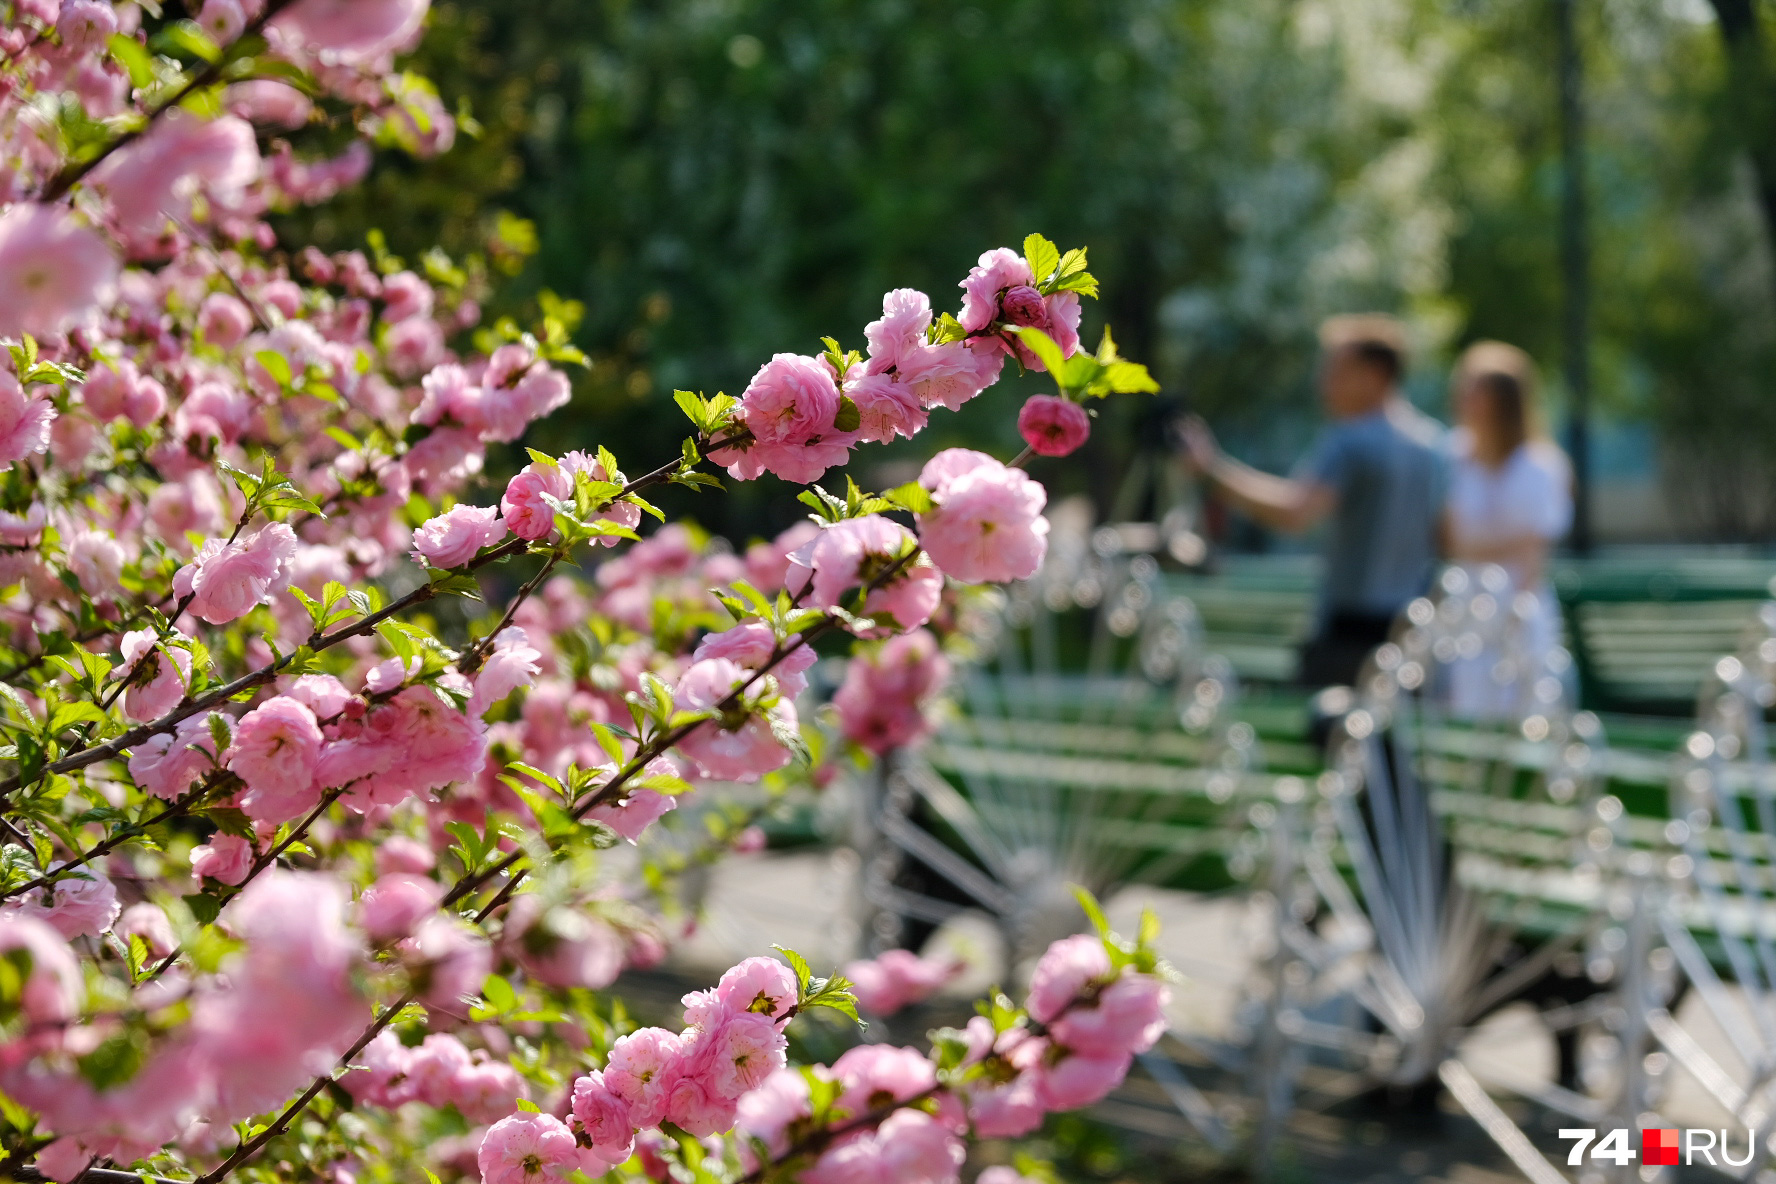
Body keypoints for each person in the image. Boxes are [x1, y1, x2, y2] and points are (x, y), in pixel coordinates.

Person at [1181, 314, 1446, 688]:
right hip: (1415, 636)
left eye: (1336, 371)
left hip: (1350, 637)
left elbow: (1296, 512)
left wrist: (1210, 469)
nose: (1323, 384)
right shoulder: (1434, 445)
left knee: (1337, 739)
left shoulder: (1351, 440)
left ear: (1373, 376)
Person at [1441, 341, 1573, 718]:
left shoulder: (1539, 465)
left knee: (1527, 714)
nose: (1463, 398)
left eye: (1475, 389)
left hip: (1518, 610)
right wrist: (1502, 544)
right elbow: (1449, 540)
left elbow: (1532, 550)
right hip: (1465, 612)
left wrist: (1516, 617)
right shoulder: (1453, 456)